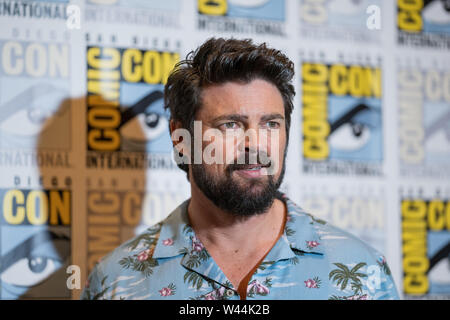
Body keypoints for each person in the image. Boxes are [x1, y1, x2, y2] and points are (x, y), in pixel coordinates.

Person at [81, 38, 399, 300]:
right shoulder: (115, 283)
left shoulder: (363, 274)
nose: (256, 145)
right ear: (180, 138)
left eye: (271, 123)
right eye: (231, 124)